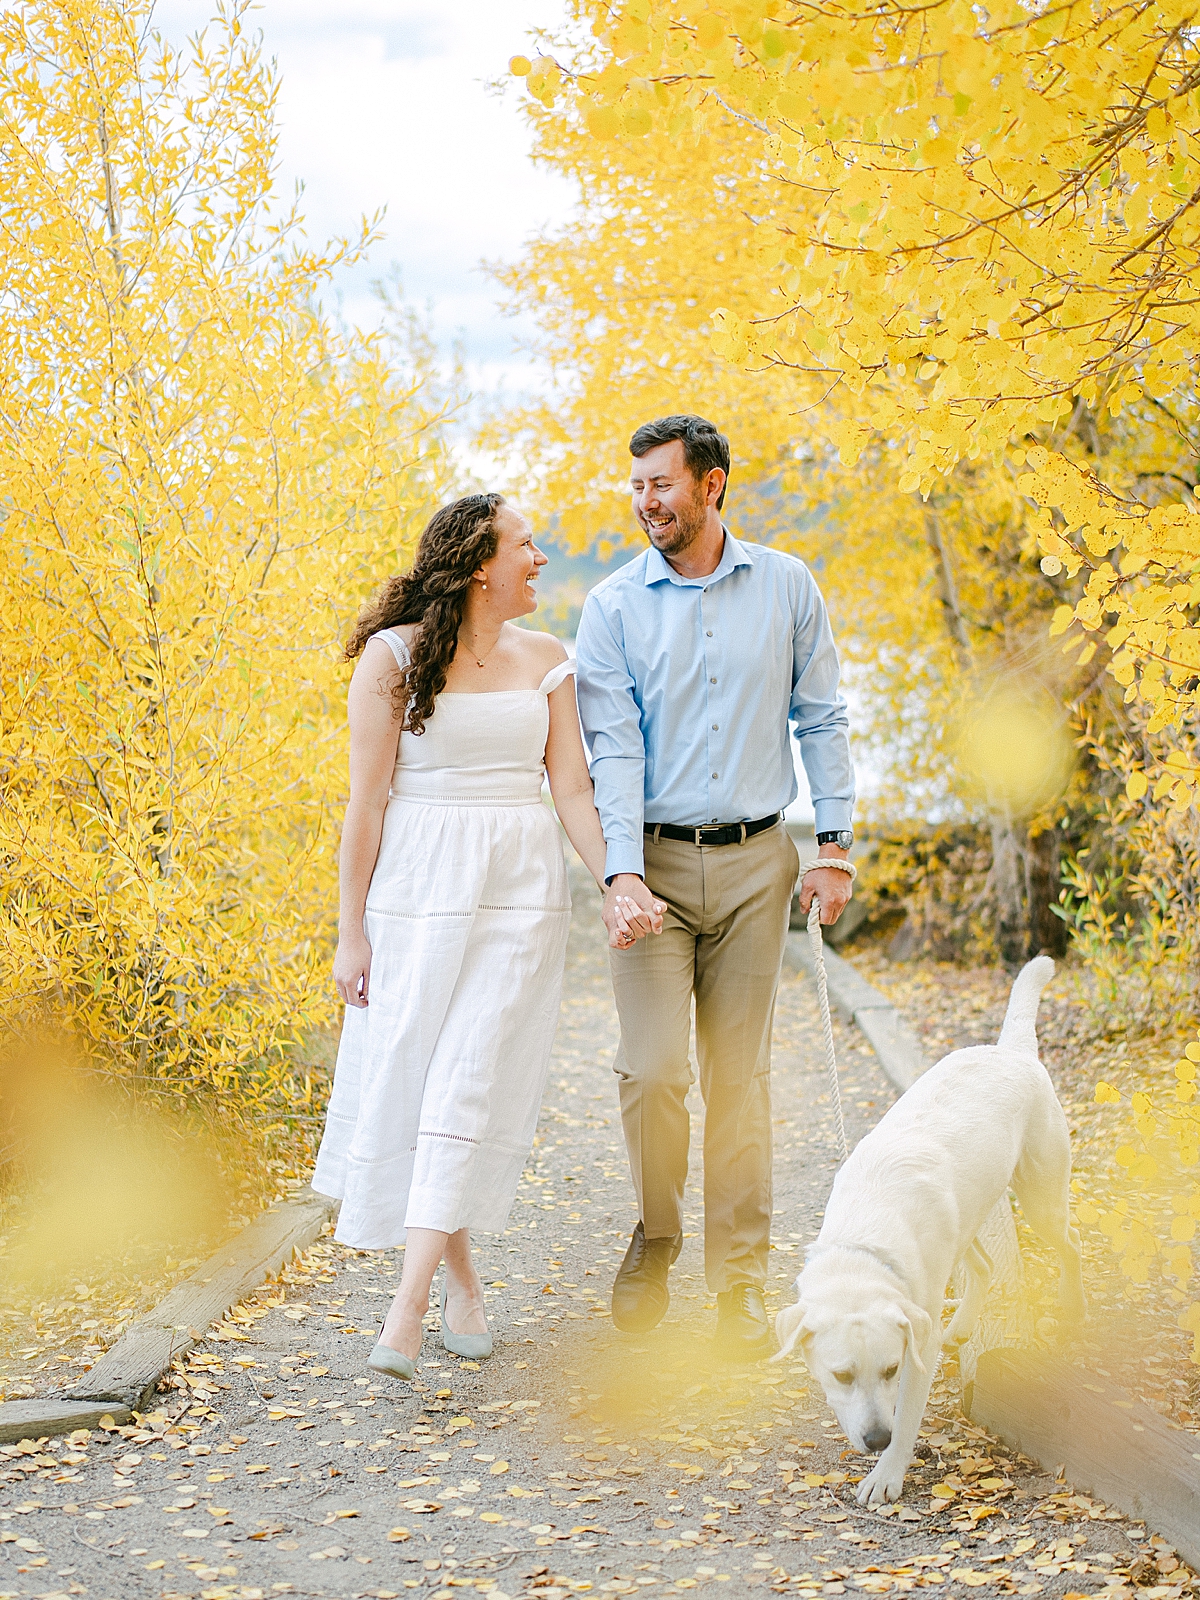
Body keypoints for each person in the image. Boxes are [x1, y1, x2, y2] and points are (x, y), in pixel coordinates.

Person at [311, 492, 661, 1382]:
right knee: (425, 1079)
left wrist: (617, 883)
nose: (541, 557)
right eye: (526, 544)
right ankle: (461, 1283)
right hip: (418, 891)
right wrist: (349, 933)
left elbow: (573, 792)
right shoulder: (393, 660)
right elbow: (366, 804)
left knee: (465, 1078)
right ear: (479, 563)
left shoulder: (548, 659)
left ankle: (409, 1304)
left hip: (519, 894)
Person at [575, 414, 856, 1359]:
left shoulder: (786, 586)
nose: (646, 502)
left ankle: (741, 1282)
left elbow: (821, 717)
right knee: (652, 1069)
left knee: (742, 1077)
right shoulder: (612, 607)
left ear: (713, 485)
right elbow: (611, 749)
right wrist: (619, 874)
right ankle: (657, 1234)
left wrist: (836, 846)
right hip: (649, 866)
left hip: (755, 862)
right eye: (638, 486)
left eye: (662, 484)